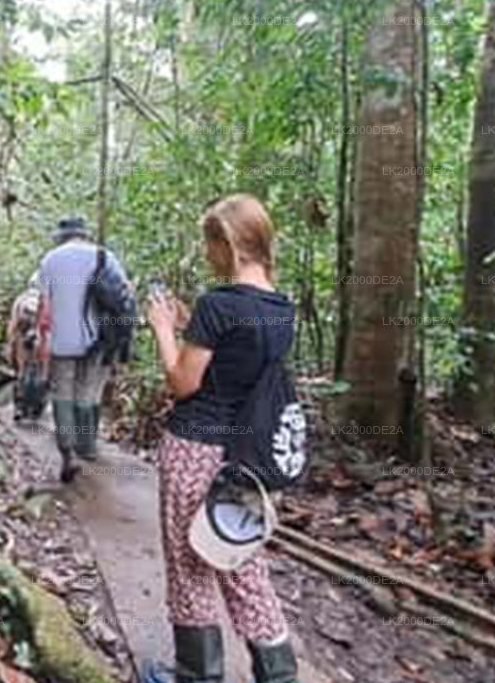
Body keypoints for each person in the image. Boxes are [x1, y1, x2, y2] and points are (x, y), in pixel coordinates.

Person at [144, 194, 300, 683]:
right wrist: (197, 328)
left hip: (196, 447)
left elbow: (183, 382)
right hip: (245, 458)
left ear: (228, 244)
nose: (207, 255)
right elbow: (240, 360)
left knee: (190, 562)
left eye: (210, 244)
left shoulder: (219, 303)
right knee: (242, 563)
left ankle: (197, 675)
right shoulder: (280, 308)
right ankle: (278, 675)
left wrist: (164, 329)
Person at [37, 216, 134, 482]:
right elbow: (125, 297)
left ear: (62, 236)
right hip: (99, 340)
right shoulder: (105, 257)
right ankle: (88, 446)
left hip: (62, 341)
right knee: (89, 392)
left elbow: (45, 311)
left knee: (63, 392)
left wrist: (41, 343)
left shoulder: (49, 260)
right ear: (84, 234)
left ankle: (67, 453)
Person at [7, 272, 49, 421]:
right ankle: (37, 408)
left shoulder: (21, 300)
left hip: (22, 340)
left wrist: (11, 345)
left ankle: (20, 407)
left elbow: (13, 326)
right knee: (42, 373)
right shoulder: (50, 300)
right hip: (43, 341)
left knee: (22, 371)